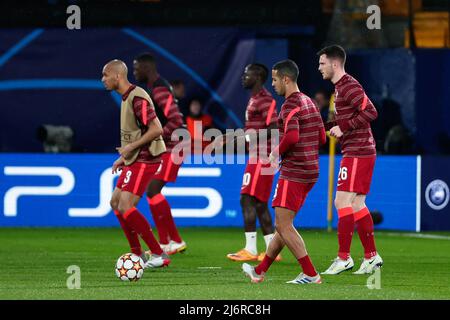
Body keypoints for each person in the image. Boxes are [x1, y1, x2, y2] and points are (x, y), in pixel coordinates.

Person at [242, 59, 326, 284]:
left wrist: (275, 153)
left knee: (283, 224)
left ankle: (310, 273)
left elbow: (292, 136)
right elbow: (321, 137)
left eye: (275, 79)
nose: (273, 84)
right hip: (311, 171)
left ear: (286, 79)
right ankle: (259, 271)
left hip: (294, 171)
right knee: (283, 224)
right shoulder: (309, 101)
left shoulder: (289, 104)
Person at [317, 44, 383, 275]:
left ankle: (343, 258)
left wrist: (343, 128)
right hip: (361, 150)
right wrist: (322, 127)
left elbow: (371, 112)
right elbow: (353, 117)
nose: (319, 68)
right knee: (356, 204)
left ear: (335, 64)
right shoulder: (340, 89)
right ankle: (371, 257)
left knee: (341, 202)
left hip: (357, 151)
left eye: (322, 63)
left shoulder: (348, 86)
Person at [102, 59, 170, 268]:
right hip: (135, 159)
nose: (102, 79)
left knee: (126, 205)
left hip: (145, 159)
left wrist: (130, 149)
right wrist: (123, 157)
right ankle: (137, 253)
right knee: (115, 203)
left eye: (105, 75)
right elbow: (136, 133)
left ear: (117, 76)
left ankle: (159, 254)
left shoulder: (137, 97)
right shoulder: (126, 98)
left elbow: (157, 129)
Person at [221, 63, 281, 263]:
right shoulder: (255, 99)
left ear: (257, 76)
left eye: (247, 74)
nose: (243, 77)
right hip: (259, 156)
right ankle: (274, 250)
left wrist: (244, 139)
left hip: (262, 157)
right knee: (260, 203)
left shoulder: (265, 99)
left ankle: (250, 249)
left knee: (246, 199)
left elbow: (274, 129)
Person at [133, 53, 187, 255]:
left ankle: (170, 241)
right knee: (152, 190)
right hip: (170, 146)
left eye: (137, 68)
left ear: (147, 68)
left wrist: (154, 136)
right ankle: (170, 241)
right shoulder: (156, 87)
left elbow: (176, 121)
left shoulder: (159, 89)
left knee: (152, 189)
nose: (135, 72)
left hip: (174, 146)